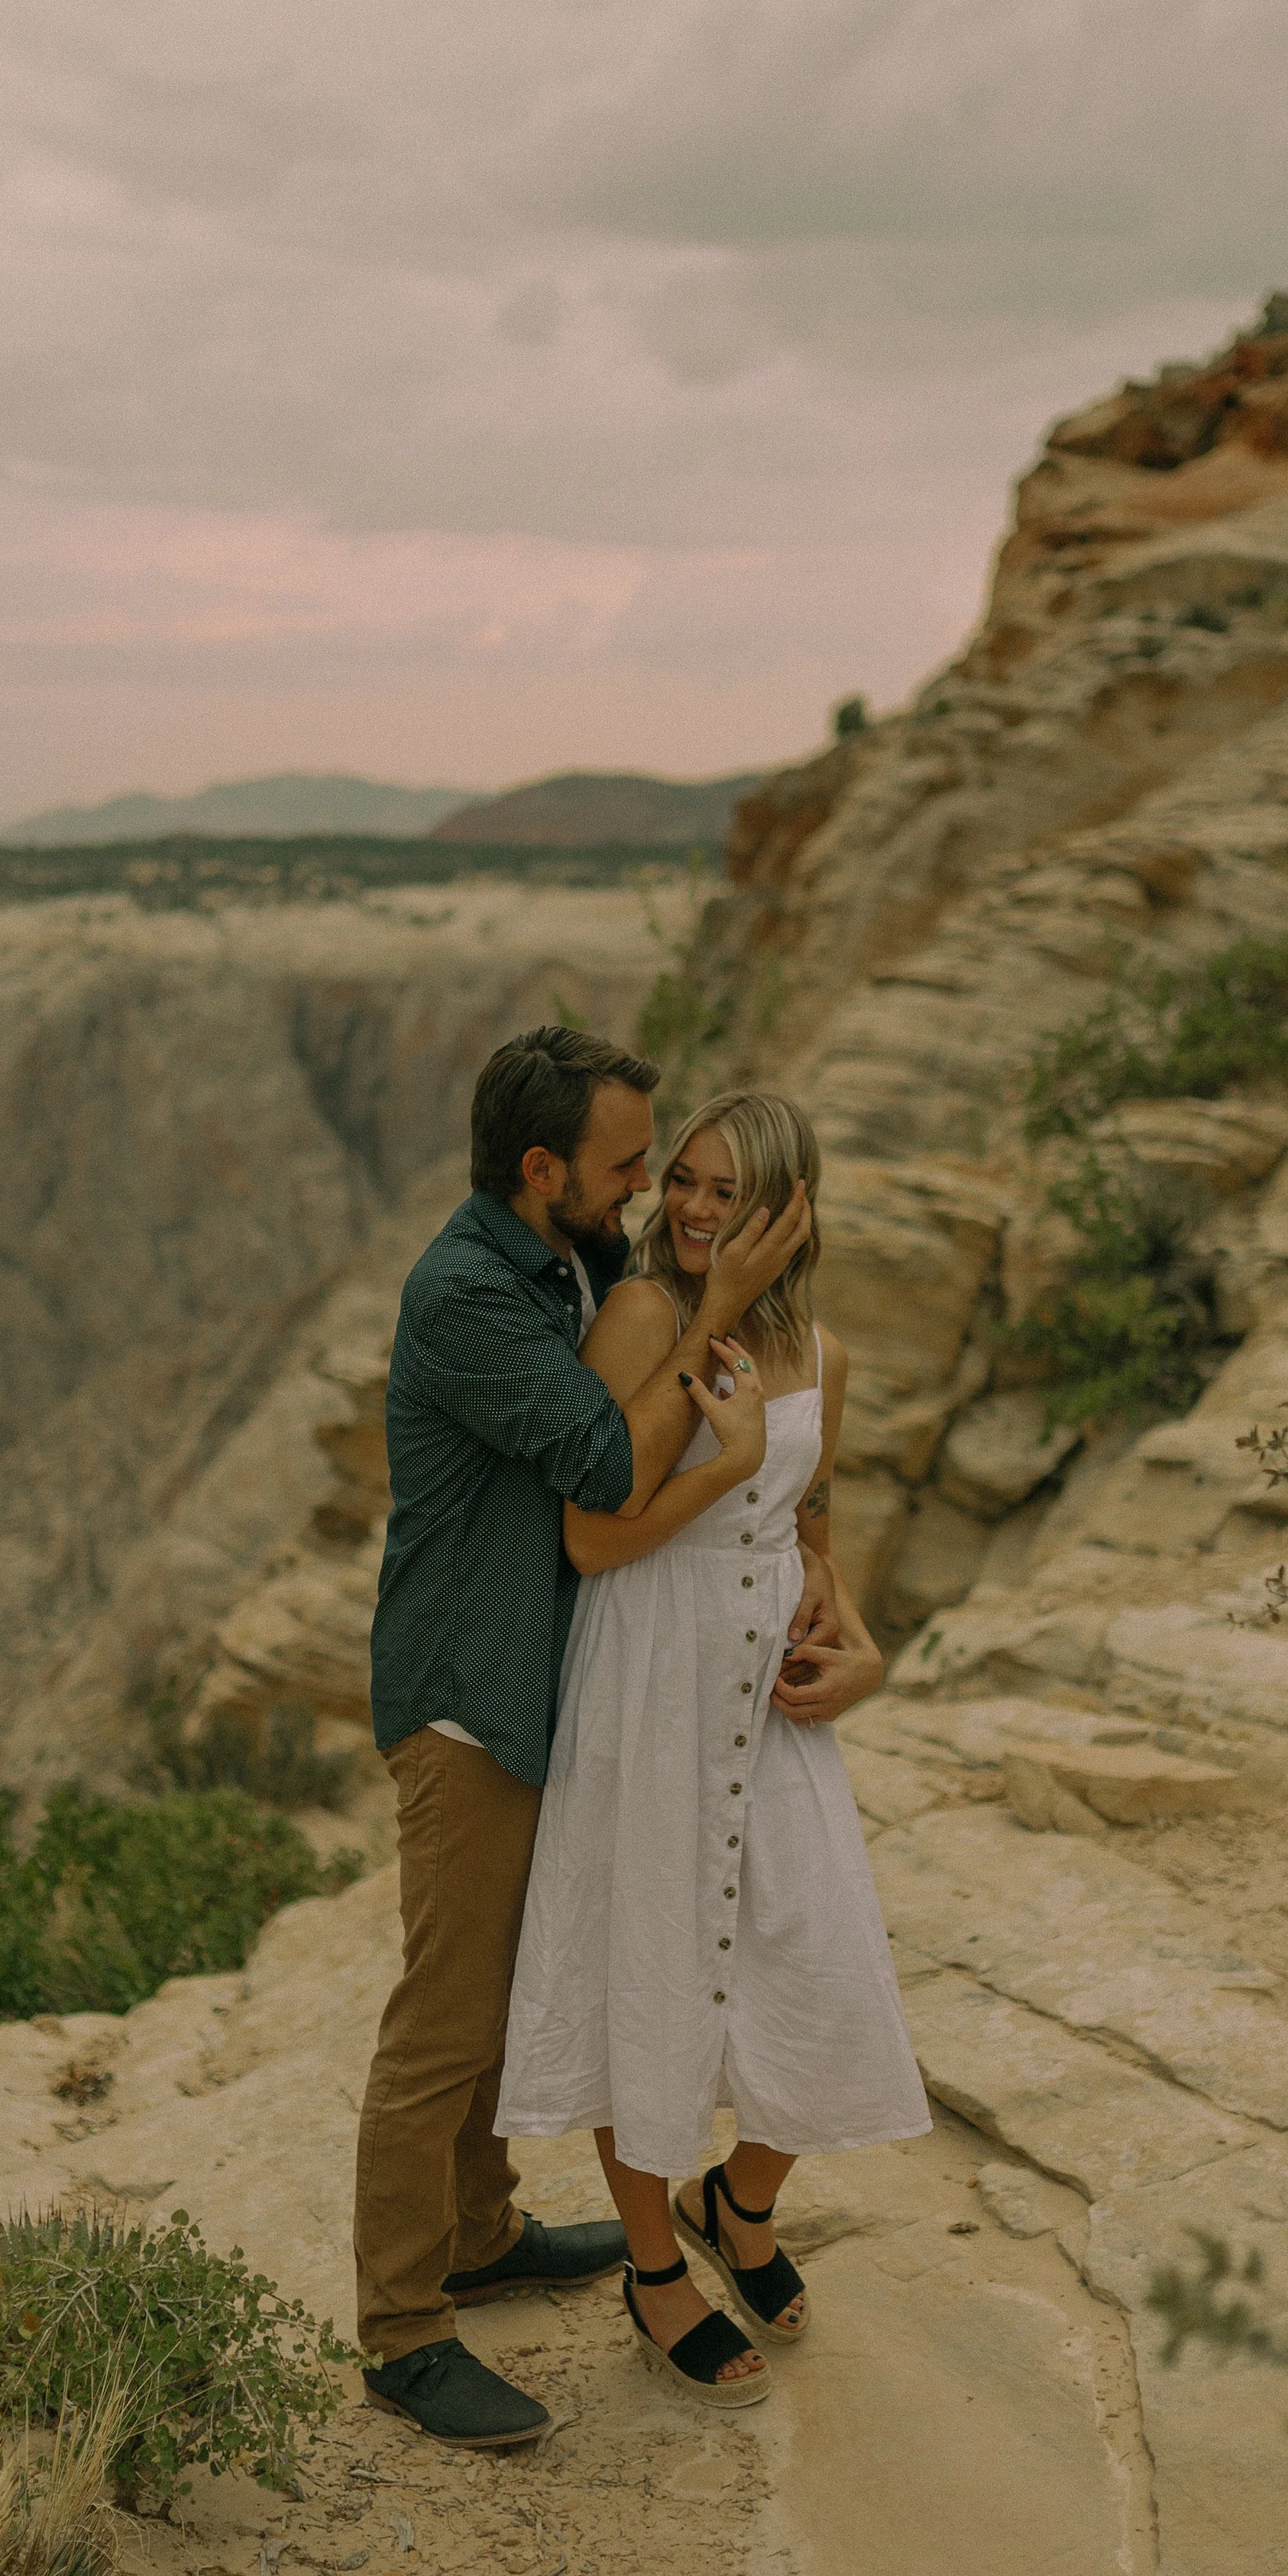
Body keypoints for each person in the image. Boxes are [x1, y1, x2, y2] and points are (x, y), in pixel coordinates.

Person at [355, 1029, 823, 2450]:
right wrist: (720, 1302)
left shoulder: (557, 1259)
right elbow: (615, 1462)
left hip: (549, 1681)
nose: (644, 1191)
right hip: (466, 1692)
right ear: (543, 1166)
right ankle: (400, 2328)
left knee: (503, 1984)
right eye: (628, 1164)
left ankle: (482, 2231)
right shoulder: (464, 1299)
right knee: (442, 2022)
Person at [497, 1090, 930, 2406]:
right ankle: (653, 2266)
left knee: (821, 1965)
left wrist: (856, 1638)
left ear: (788, 1209)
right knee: (655, 1972)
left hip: (765, 1698)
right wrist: (716, 1382)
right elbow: (590, 1534)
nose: (690, 1209)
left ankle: (735, 2198)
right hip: (648, 1678)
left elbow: (816, 1522)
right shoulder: (641, 1319)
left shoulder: (826, 1354)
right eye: (680, 1180)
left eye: (725, 1191)